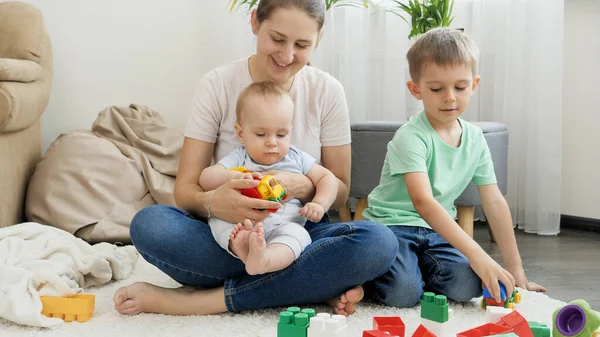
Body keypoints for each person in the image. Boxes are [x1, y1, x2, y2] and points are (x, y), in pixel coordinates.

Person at [113, 0, 398, 317]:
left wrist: (301, 187)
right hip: (231, 234)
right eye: (277, 39)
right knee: (150, 224)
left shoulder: (327, 91)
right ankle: (309, 285)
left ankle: (204, 301)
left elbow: (340, 188)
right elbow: (186, 189)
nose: (287, 56)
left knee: (379, 241)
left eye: (302, 45)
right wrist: (215, 203)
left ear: (317, 40)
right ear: (254, 23)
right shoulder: (218, 84)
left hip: (297, 228)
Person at [362, 27, 546, 308]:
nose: (449, 97)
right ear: (416, 89)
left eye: (460, 87)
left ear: (474, 84)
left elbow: (494, 201)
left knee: (468, 286)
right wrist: (478, 255)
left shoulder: (475, 139)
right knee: (403, 294)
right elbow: (423, 202)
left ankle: (416, 271)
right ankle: (372, 275)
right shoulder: (411, 137)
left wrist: (516, 270)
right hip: (392, 228)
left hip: (437, 232)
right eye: (436, 89)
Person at [200, 81, 338, 276]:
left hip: (284, 225)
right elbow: (206, 178)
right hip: (240, 222)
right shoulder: (240, 157)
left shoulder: (295, 157)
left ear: (290, 131)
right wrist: (240, 177)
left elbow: (328, 178)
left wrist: (319, 204)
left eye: (281, 134)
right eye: (261, 134)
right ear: (241, 133)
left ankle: (265, 260)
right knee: (217, 222)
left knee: (299, 236)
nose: (272, 142)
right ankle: (241, 246)